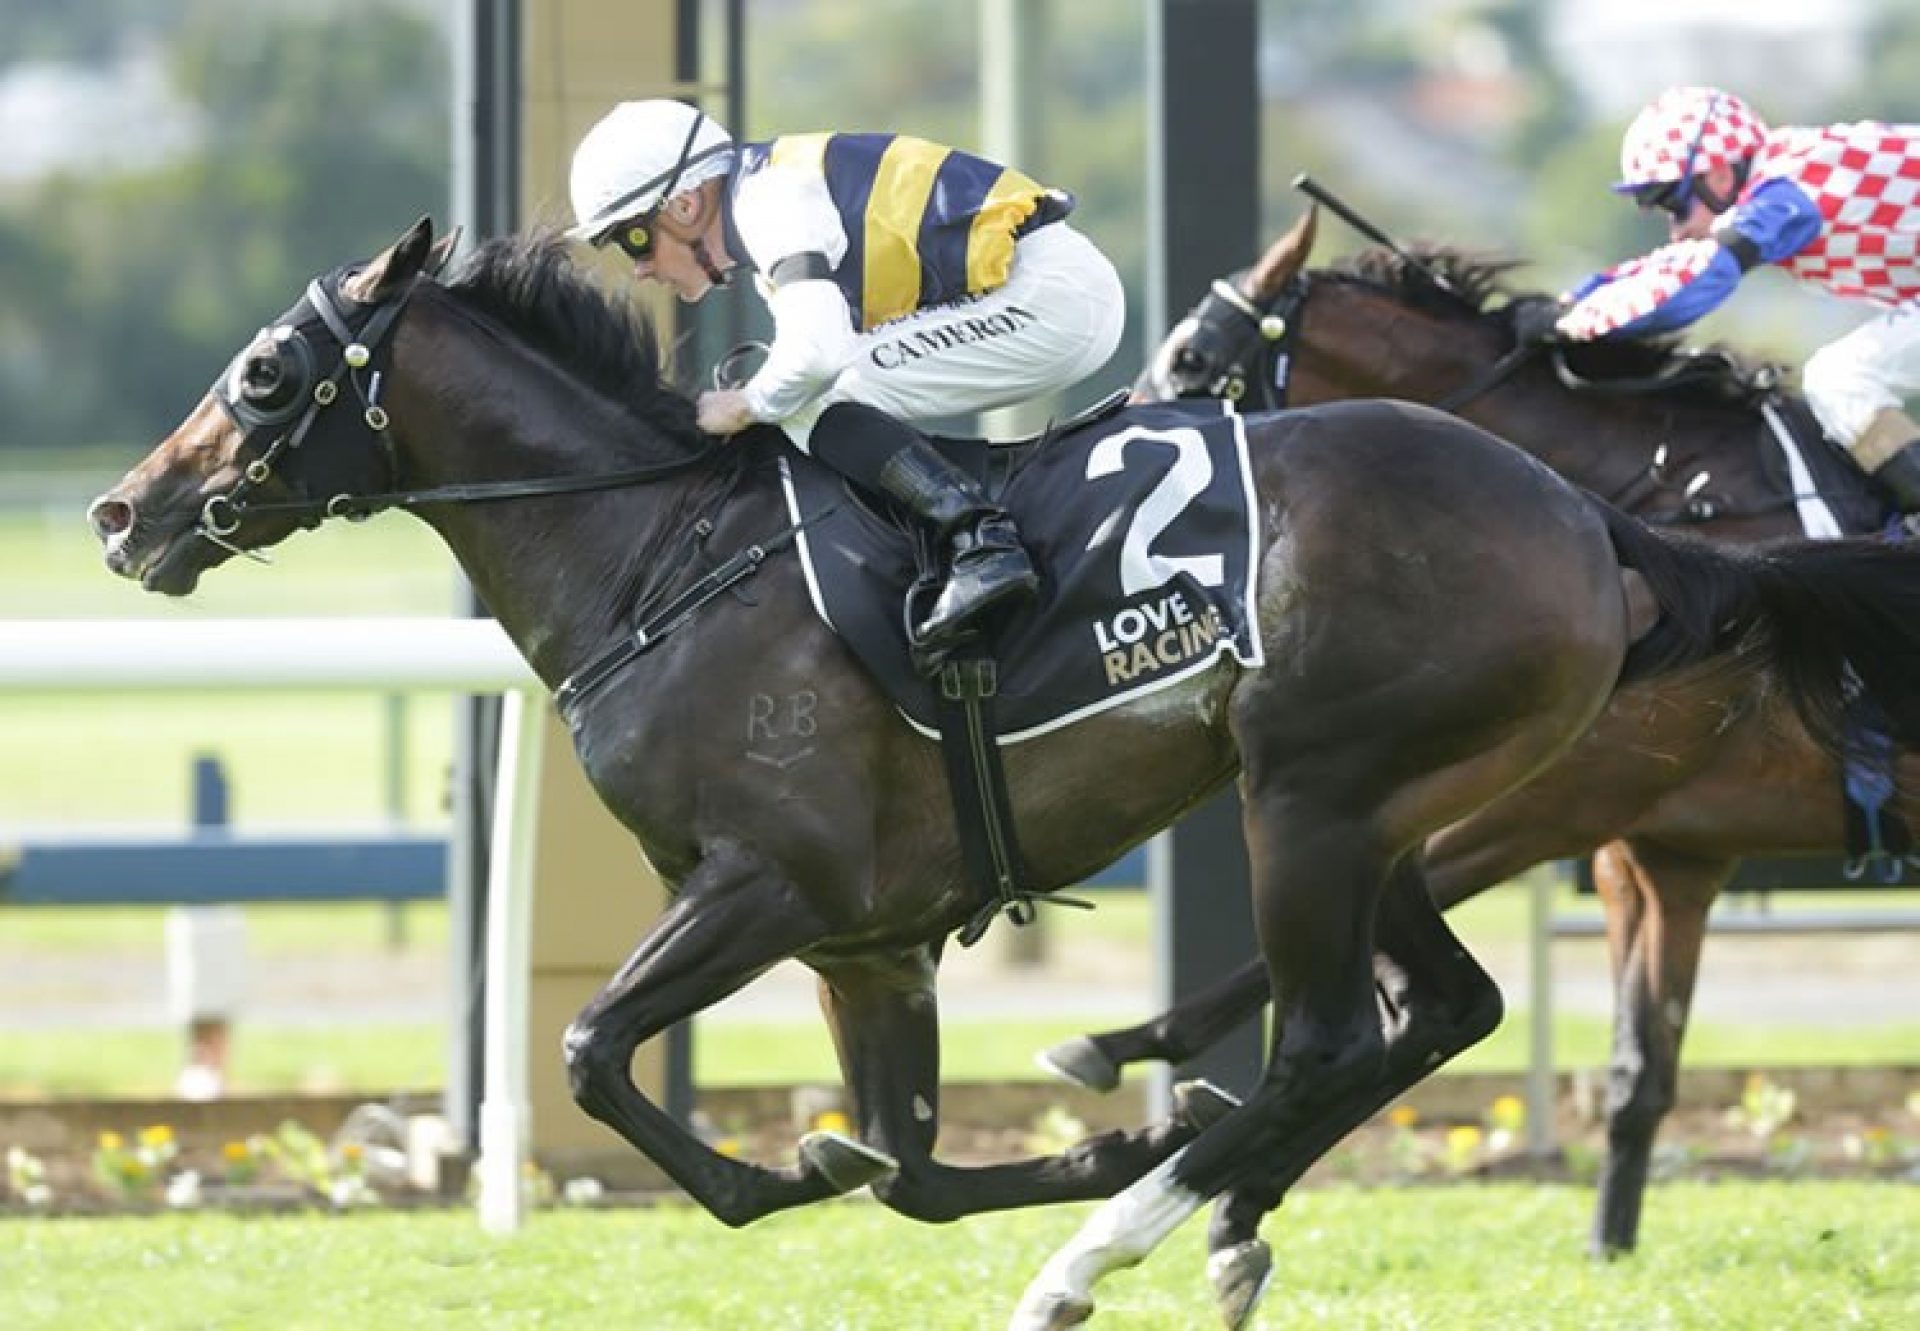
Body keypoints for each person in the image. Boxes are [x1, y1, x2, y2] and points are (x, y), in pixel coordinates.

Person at [566, 100, 1126, 651]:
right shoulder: (766, 216)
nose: (640, 269)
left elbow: (813, 359)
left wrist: (745, 404)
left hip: (1051, 297)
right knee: (812, 399)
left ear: (685, 205)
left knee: (812, 395)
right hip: (1046, 292)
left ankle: (981, 540)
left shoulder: (770, 202)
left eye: (634, 240)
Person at [1531, 85, 1920, 511]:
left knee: (1840, 378)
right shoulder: (1782, 178)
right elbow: (1674, 265)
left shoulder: (1787, 192)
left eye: (1675, 205)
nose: (1676, 230)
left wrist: (1569, 322)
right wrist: (1575, 300)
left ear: (1719, 176)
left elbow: (1697, 282)